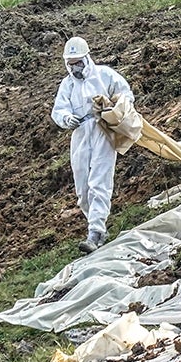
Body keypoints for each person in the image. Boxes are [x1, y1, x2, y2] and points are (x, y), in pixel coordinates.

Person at [50, 36, 134, 253]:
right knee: (83, 189)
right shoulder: (67, 85)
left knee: (99, 181)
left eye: (78, 62)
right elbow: (58, 110)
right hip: (80, 134)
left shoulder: (104, 75)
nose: (75, 68)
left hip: (102, 131)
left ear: (87, 58)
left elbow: (126, 95)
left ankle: (95, 231)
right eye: (71, 64)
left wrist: (113, 109)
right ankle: (96, 224)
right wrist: (66, 118)